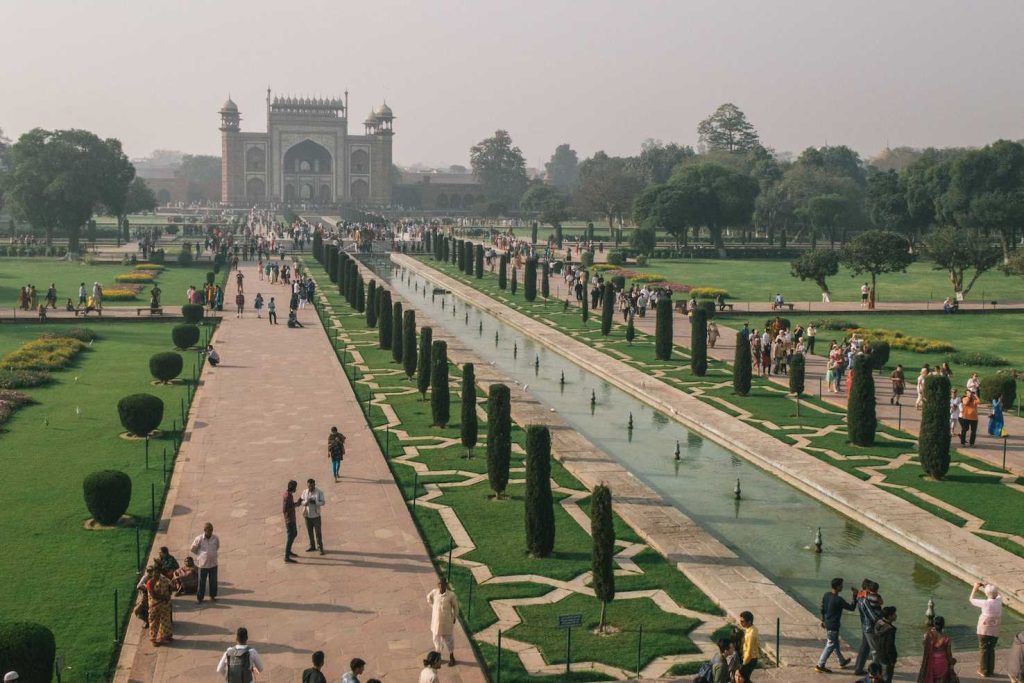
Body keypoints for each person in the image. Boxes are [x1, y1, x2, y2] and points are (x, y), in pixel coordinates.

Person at [815, 577, 856, 672]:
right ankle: (820, 665)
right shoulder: (839, 600)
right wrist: (855, 596)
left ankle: (841, 661)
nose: (842, 587)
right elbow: (852, 607)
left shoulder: (826, 595)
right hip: (833, 626)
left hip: (827, 623)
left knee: (835, 643)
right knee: (830, 645)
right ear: (837, 587)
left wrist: (823, 620)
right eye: (841, 585)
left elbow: (822, 608)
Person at [969, 582, 1003, 677]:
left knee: (983, 649)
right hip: (995, 630)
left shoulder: (985, 603)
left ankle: (983, 671)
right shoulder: (999, 600)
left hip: (983, 630)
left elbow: (971, 599)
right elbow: (999, 594)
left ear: (986, 594)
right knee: (991, 649)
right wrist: (990, 586)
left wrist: (975, 588)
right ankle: (990, 670)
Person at [427, 578, 459, 666]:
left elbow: (456, 607)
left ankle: (452, 657)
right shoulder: (434, 592)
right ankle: (438, 657)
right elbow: (428, 598)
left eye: (443, 584)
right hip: (436, 622)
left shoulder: (451, 595)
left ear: (446, 584)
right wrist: (433, 607)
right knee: (436, 639)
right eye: (439, 584)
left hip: (446, 622)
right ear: (438, 585)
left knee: (449, 640)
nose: (441, 586)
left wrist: (454, 616)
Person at [854, 580, 883, 675]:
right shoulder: (865, 600)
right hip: (869, 626)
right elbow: (871, 614)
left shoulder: (860, 597)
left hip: (864, 625)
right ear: (867, 589)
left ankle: (858, 668)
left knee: (864, 648)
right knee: (875, 650)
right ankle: (875, 671)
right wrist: (880, 622)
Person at [917, 615, 955, 683]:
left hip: (930, 664)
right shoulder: (946, 639)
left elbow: (924, 645)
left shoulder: (929, 636)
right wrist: (952, 663)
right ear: (943, 625)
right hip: (942, 665)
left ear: (934, 625)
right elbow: (949, 655)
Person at [145, 561, 174, 645]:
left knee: (166, 620)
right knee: (154, 622)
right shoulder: (150, 583)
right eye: (155, 572)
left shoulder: (164, 579)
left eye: (158, 572)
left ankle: (166, 636)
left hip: (165, 604)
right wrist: (164, 597)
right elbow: (153, 595)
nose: (156, 574)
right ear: (152, 573)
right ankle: (154, 639)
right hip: (155, 605)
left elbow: (170, 586)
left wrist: (169, 593)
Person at [190, 522, 220, 602]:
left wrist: (211, 554)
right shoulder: (199, 539)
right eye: (208, 530)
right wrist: (200, 555)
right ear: (204, 530)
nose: (210, 531)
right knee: (202, 582)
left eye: (211, 530)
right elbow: (193, 549)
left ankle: (212, 596)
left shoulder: (215, 538)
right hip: (203, 565)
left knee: (213, 581)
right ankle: (200, 598)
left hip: (213, 564)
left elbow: (217, 546)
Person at [300, 478, 325, 554]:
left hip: (316, 516)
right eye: (309, 486)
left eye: (311, 486)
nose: (310, 488)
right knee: (310, 532)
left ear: (314, 485)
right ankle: (312, 546)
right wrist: (306, 502)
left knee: (318, 533)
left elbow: (323, 502)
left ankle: (320, 547)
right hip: (307, 516)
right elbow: (301, 501)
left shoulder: (319, 492)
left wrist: (316, 502)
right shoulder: (305, 492)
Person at [873, 606, 898, 683]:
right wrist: (892, 660)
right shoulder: (890, 629)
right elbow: (889, 646)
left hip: (879, 654)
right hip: (887, 659)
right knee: (887, 679)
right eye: (894, 614)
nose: (896, 615)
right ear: (890, 616)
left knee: (878, 678)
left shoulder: (878, 623)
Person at [738, 611, 759, 682]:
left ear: (749, 622)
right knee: (745, 678)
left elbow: (749, 651)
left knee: (742, 677)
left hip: (750, 659)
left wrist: (743, 664)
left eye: (742, 621)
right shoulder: (752, 628)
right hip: (752, 658)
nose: (740, 623)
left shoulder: (751, 634)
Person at [283, 480, 298, 563]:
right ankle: (286, 556)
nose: (296, 489)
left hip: (292, 518)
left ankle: (289, 551)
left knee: (295, 534)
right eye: (295, 487)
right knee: (290, 536)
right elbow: (285, 509)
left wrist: (296, 504)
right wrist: (295, 505)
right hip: (289, 520)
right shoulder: (287, 496)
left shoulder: (290, 495)